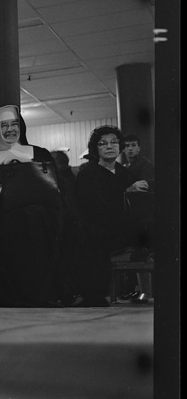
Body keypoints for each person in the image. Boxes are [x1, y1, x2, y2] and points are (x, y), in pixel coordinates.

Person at [0, 104, 102, 307]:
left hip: (44, 212)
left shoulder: (39, 152)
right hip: (3, 214)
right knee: (27, 220)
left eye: (14, 124)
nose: (10, 129)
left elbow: (57, 188)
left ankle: (61, 290)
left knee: (48, 219)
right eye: (4, 125)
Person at [75, 126, 152, 301]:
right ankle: (96, 296)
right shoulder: (87, 174)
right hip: (98, 228)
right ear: (96, 148)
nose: (109, 146)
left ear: (120, 146)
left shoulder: (126, 173)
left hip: (124, 227)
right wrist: (126, 191)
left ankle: (146, 291)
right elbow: (92, 208)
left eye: (114, 142)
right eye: (103, 143)